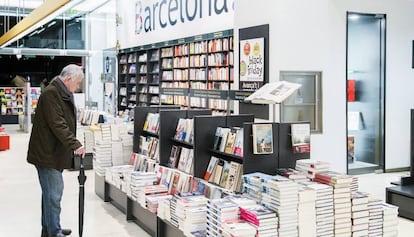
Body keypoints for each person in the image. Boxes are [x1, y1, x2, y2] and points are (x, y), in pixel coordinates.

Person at [27, 64, 86, 237]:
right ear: (68, 79)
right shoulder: (52, 94)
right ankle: (54, 232)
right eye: (77, 83)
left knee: (49, 194)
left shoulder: (60, 92)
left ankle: (50, 228)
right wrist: (75, 144)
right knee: (54, 195)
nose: (77, 87)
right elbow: (58, 124)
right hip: (47, 154)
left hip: (53, 152)